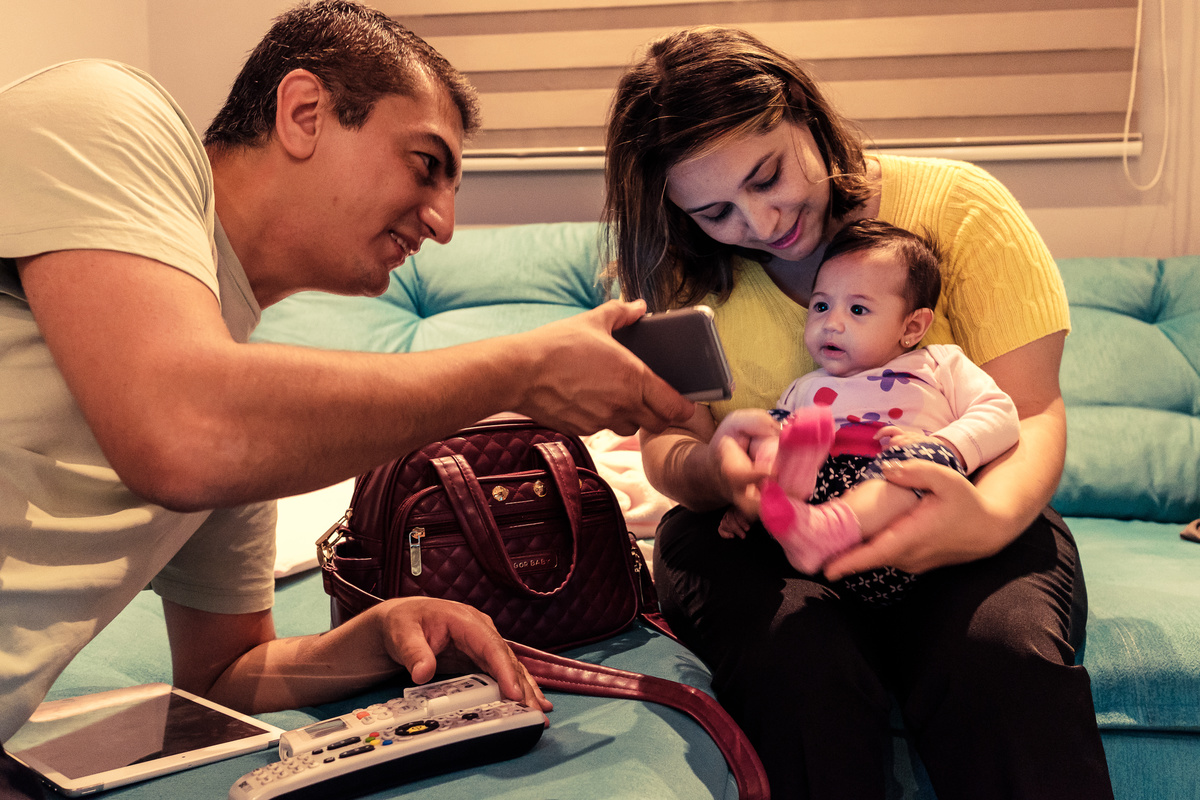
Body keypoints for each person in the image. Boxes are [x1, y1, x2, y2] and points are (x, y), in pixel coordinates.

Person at [0, 0, 694, 786]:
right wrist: (517, 369)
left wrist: (375, 633)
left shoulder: (240, 404)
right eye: (426, 164)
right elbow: (182, 434)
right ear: (304, 112)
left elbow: (225, 674)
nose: (443, 224)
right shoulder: (105, 114)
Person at [603, 25, 1113, 800]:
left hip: (962, 499)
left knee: (998, 659)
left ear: (804, 113)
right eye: (716, 212)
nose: (763, 223)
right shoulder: (678, 266)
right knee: (795, 669)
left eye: (769, 175)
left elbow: (1031, 412)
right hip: (763, 534)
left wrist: (986, 520)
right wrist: (716, 469)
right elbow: (669, 445)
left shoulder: (960, 207)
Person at [719, 220, 1020, 607]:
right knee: (773, 428)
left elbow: (1000, 412)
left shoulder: (938, 364)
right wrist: (749, 501)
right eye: (821, 305)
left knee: (918, 463)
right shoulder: (803, 387)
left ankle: (829, 526)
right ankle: (787, 499)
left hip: (906, 516)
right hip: (819, 514)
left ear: (912, 327)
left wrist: (941, 445)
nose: (832, 322)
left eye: (858, 309)